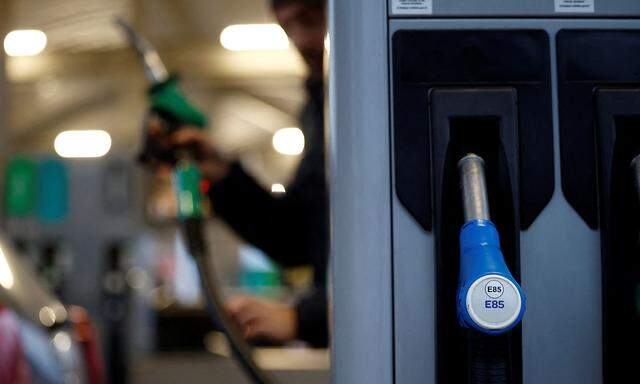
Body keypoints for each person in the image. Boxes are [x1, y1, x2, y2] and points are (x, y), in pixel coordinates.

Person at [151, 0, 329, 347]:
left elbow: (401, 248)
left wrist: (307, 318)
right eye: (286, 28)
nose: (300, 42)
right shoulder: (318, 107)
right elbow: (299, 238)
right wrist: (221, 176)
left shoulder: (385, 98)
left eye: (309, 20)